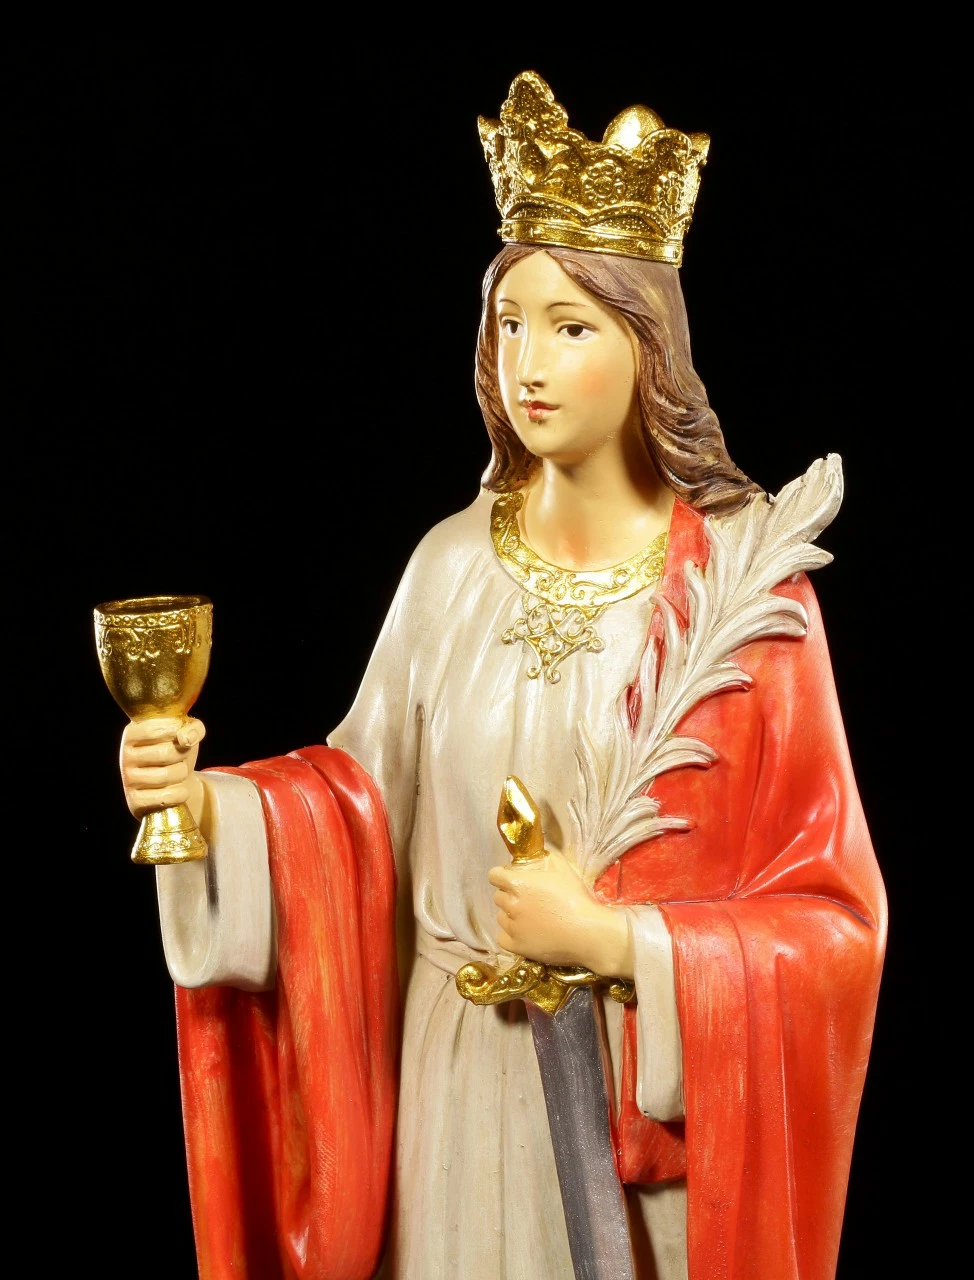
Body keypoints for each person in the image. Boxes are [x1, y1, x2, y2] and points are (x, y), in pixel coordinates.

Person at [118, 72, 886, 1280]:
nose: (528, 361)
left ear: (648, 347)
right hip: (452, 1069)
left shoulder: (742, 601)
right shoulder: (450, 566)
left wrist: (622, 941)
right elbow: (353, 807)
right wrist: (205, 809)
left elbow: (832, 926)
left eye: (571, 327)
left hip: (619, 1087)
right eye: (509, 322)